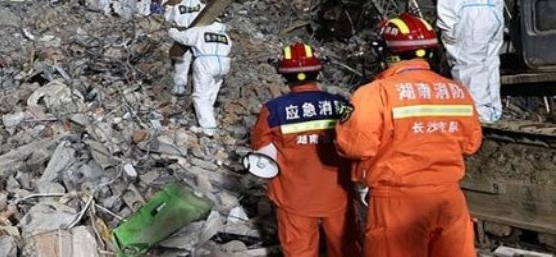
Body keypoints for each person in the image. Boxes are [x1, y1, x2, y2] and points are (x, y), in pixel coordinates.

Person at [335, 13, 483, 257]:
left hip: (398, 201)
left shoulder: (375, 92)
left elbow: (356, 146)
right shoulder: (456, 91)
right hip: (449, 198)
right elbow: (471, 144)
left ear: (387, 52)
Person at [251, 43, 359, 257]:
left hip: (294, 197)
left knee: (299, 250)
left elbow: (261, 149)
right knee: (345, 249)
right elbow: (357, 142)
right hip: (338, 194)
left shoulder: (274, 109)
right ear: (317, 71)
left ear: (283, 74)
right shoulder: (340, 104)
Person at [437, 0, 504, 123]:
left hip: (471, 19)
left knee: (468, 64)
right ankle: (493, 110)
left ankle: (477, 114)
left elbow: (450, 0)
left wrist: (446, 26)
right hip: (493, 19)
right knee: (490, 63)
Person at [169, 19, 230, 136]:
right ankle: (208, 116)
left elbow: (183, 37)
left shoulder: (200, 31)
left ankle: (208, 128)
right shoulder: (225, 36)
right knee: (212, 92)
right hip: (224, 63)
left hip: (206, 62)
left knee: (201, 96)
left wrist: (172, 31)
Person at [165, 0, 205, 95]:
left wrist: (169, 7)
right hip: (198, 36)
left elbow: (168, 18)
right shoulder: (202, 6)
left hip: (182, 34)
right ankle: (198, 89)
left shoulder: (178, 6)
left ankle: (179, 87)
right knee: (200, 62)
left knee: (182, 62)